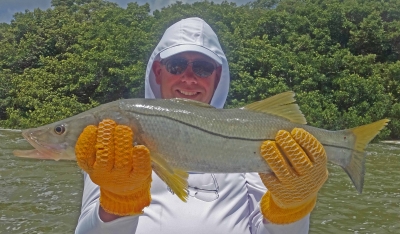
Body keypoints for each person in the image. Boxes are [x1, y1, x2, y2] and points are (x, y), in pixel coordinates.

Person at [74, 17, 328, 234]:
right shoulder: (112, 142)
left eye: (203, 68)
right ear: (158, 72)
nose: (189, 78)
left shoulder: (252, 132)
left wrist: (291, 208)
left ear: (217, 77)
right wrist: (117, 203)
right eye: (176, 66)